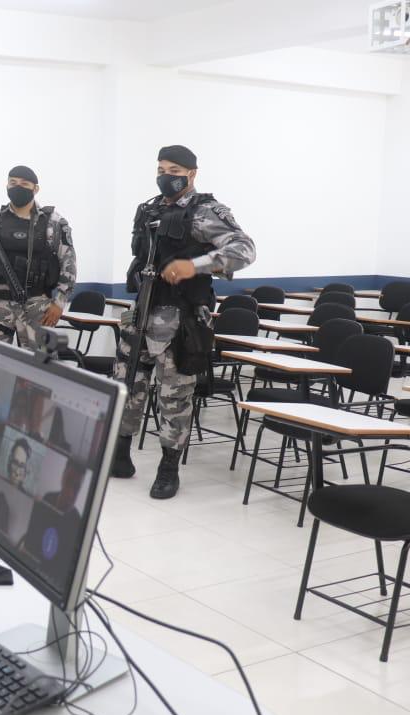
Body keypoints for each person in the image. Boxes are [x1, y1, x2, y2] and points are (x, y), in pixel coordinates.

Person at [111, 145, 256, 499]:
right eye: (161, 168)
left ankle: (168, 468)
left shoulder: (205, 211)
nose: (165, 175)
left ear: (191, 173)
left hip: (180, 320)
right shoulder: (149, 210)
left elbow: (245, 250)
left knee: (174, 396)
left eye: (174, 169)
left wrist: (197, 265)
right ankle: (120, 453)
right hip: (142, 310)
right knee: (128, 385)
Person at [0, 165, 77, 350]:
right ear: (7, 186)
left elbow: (68, 264)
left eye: (24, 184)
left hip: (38, 307)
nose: (18, 187)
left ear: (36, 188)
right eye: (13, 183)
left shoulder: (54, 222)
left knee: (41, 368)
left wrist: (59, 303)